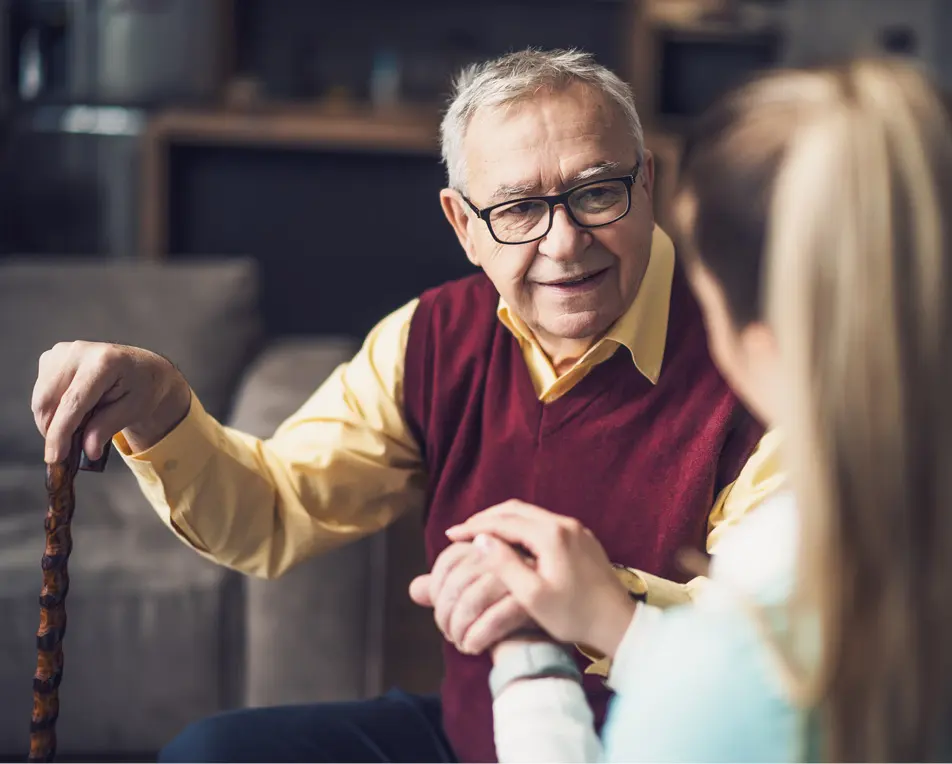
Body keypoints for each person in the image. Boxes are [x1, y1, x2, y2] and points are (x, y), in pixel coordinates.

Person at [30, 49, 780, 763]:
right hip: (473, 736)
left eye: (595, 193)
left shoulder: (761, 357)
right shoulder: (430, 336)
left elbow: (777, 663)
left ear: (647, 182)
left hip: (677, 747)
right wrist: (162, 408)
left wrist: (593, 596)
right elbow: (276, 510)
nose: (562, 242)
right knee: (210, 754)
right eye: (518, 209)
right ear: (463, 225)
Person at [447, 56, 952, 762]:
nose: (563, 242)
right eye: (520, 208)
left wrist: (530, 658)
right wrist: (618, 626)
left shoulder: (753, 654)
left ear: (758, 336)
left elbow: (734, 707)